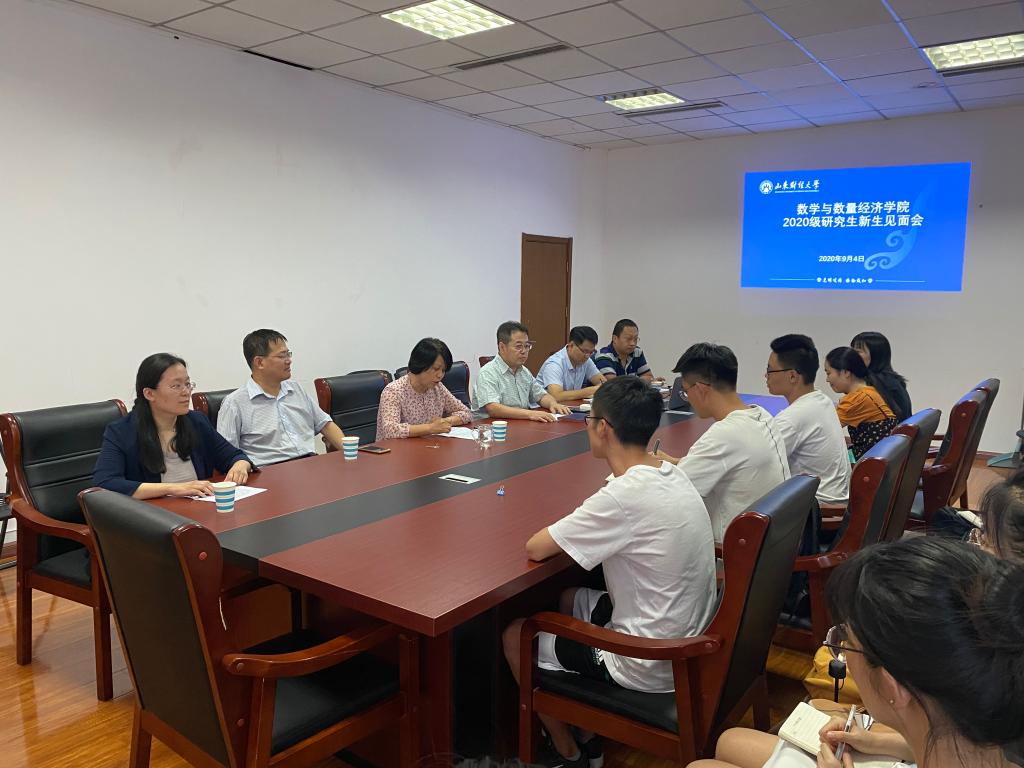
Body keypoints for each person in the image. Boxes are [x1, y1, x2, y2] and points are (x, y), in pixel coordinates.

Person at [503, 376, 716, 768]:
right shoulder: (671, 473)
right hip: (689, 640)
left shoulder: (622, 496)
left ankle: (567, 752)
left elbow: (536, 548)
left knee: (516, 634)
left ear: (603, 427)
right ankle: (587, 732)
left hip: (649, 660)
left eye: (589, 420)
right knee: (570, 598)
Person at [687, 537, 1024, 768]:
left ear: (893, 687)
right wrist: (881, 742)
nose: (844, 655)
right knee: (730, 741)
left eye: (847, 643)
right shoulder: (991, 725)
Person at [656, 343, 790, 542]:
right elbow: (725, 462)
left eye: (685, 392)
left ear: (700, 389)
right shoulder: (762, 415)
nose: (687, 398)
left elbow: (670, 496)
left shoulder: (723, 436)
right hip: (772, 542)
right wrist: (676, 462)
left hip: (731, 550)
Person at [93, 353, 252, 498]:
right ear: (149, 393)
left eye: (188, 384)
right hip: (153, 516)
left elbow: (234, 456)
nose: (186, 392)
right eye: (176, 386)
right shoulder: (122, 431)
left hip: (199, 509)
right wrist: (173, 488)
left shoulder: (196, 421)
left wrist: (240, 465)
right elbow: (105, 484)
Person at [217, 329, 346, 465]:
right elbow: (226, 455)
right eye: (282, 356)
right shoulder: (235, 403)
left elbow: (325, 425)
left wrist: (352, 453)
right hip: (269, 470)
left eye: (288, 354)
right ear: (259, 362)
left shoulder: (296, 389)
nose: (289, 361)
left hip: (310, 464)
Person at [766, 334, 851, 506]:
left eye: (770, 370)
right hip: (835, 501)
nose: (765, 376)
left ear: (792, 376)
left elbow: (759, 462)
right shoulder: (821, 401)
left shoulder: (794, 417)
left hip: (819, 510)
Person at [472, 321, 572, 421]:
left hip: (520, 424)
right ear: (502, 347)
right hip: (492, 427)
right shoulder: (488, 372)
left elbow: (541, 395)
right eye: (518, 346)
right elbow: (493, 409)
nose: (524, 351)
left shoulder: (524, 372)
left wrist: (553, 404)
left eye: (527, 346)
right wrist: (530, 414)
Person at [376, 338, 472, 439]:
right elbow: (390, 430)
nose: (440, 375)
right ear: (420, 365)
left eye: (443, 370)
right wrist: (430, 428)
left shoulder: (437, 387)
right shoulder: (393, 392)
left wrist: (444, 422)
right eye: (436, 369)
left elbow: (466, 413)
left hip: (427, 445)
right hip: (394, 448)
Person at [824, 347, 898, 461]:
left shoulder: (857, 399)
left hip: (870, 462)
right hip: (885, 458)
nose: (827, 380)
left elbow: (824, 430)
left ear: (845, 372)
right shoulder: (869, 391)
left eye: (828, 373)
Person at [850, 331, 911, 422]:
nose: (851, 356)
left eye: (858, 352)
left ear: (875, 355)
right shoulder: (891, 379)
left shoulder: (880, 384)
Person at [537, 325, 607, 402]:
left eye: (591, 352)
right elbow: (556, 396)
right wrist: (590, 391)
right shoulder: (555, 364)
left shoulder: (586, 360)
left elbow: (604, 384)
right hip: (543, 408)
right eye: (585, 351)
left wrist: (600, 387)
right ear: (571, 345)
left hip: (568, 406)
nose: (587, 356)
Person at [593, 319, 657, 381]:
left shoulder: (637, 352)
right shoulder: (604, 356)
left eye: (635, 339)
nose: (633, 343)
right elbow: (614, 384)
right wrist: (638, 380)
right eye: (628, 339)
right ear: (615, 338)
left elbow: (649, 377)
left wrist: (632, 381)